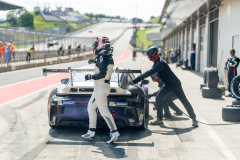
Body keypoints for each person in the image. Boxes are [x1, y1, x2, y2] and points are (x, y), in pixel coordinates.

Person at [131, 46, 198, 127]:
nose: (150, 59)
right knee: (159, 98)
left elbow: (149, 72)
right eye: (149, 58)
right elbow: (150, 71)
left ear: (155, 55)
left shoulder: (160, 64)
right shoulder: (157, 63)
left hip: (175, 84)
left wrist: (136, 80)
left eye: (150, 57)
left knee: (184, 101)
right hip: (167, 84)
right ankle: (159, 119)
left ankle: (194, 119)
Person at [82, 37, 120, 143]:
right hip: (102, 87)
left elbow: (102, 73)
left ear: (100, 45)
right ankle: (91, 131)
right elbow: (104, 64)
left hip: (101, 87)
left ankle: (114, 132)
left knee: (104, 111)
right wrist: (95, 61)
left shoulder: (103, 56)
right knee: (91, 107)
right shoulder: (106, 56)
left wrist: (90, 77)